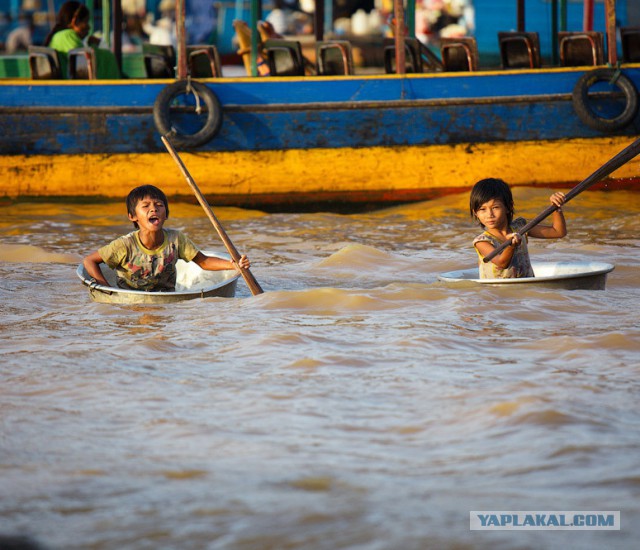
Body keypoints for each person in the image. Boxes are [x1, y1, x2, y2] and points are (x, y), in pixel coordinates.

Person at [83, 185, 250, 291]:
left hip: (165, 299)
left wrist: (234, 265)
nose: (153, 209)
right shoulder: (124, 245)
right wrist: (105, 287)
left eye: (159, 205)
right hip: (129, 300)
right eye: (146, 206)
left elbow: (204, 262)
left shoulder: (176, 240)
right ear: (133, 216)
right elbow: (89, 261)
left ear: (166, 214)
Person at [470, 178, 567, 279]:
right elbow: (502, 263)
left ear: (509, 207)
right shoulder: (482, 241)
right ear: (475, 213)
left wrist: (556, 208)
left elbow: (559, 232)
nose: (489, 215)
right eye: (482, 209)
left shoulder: (520, 228)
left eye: (495, 207)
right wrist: (511, 247)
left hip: (525, 291)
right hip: (498, 293)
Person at [44, 1, 120, 79]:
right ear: (75, 21)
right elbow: (83, 63)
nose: (88, 27)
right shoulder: (67, 36)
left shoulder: (59, 36)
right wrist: (95, 46)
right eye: (85, 22)